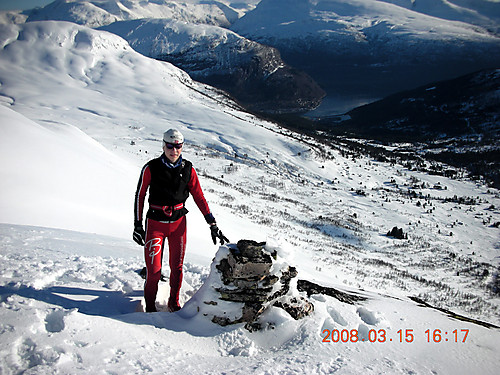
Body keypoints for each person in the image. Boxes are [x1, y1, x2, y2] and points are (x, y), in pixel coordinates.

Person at [133, 129, 228, 312]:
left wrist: (212, 223)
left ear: (182, 147)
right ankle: (150, 308)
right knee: (153, 272)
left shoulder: (188, 168)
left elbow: (199, 197)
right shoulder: (151, 167)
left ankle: (174, 304)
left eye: (178, 146)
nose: (174, 150)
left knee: (177, 268)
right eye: (170, 146)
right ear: (163, 145)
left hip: (178, 225)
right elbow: (140, 195)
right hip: (155, 224)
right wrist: (137, 224)